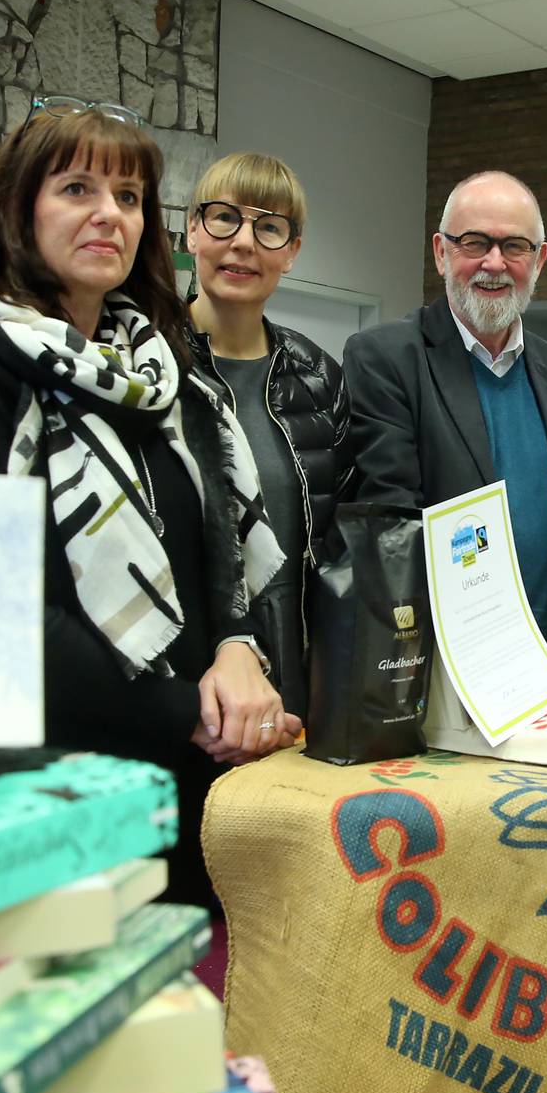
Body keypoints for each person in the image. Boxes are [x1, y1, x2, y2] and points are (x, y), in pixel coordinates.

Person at [0, 95, 297, 906]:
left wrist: (236, 646)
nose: (109, 213)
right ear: (20, 210)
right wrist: (186, 710)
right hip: (42, 795)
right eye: (77, 188)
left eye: (129, 196)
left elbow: (219, 546)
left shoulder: (169, 376)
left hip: (188, 793)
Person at [343, 171, 547, 684]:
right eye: (475, 243)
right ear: (441, 252)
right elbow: (390, 524)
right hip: (439, 673)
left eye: (515, 246)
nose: (494, 263)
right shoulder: (385, 359)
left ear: (539, 260)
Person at [182, 152, 353, 724]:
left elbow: (343, 542)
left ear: (292, 250)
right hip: (191, 690)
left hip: (304, 687)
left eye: (269, 227)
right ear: (192, 229)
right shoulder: (147, 366)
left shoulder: (319, 377)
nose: (243, 243)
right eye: (224, 218)